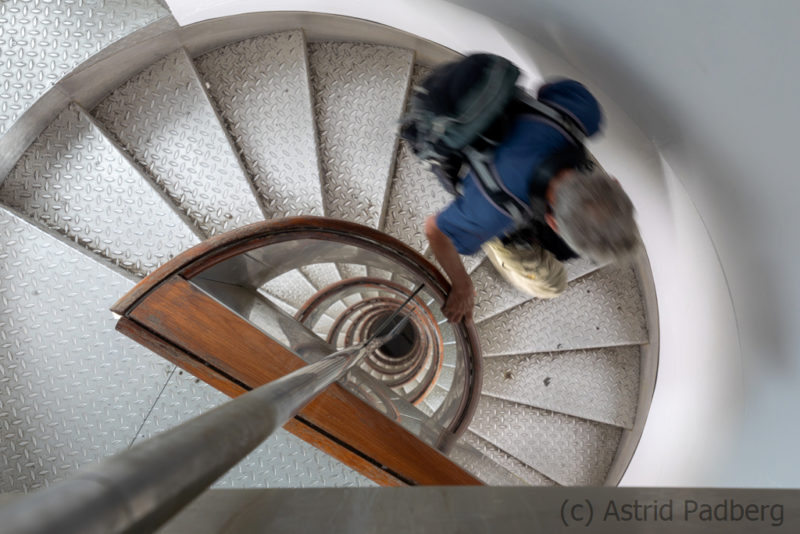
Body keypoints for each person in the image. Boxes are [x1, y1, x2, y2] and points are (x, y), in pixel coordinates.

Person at [413, 55, 640, 323]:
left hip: (479, 115)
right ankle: (498, 243)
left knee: (564, 254)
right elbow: (435, 230)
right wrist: (462, 286)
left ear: (614, 182)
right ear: (552, 223)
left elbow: (547, 90)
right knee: (551, 285)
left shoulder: (582, 112)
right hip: (484, 191)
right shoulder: (491, 212)